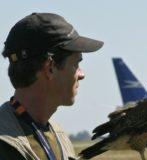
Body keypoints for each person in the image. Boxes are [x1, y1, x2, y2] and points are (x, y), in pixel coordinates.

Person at [0, 12, 104, 160]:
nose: (82, 74)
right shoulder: (4, 145)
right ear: (50, 67)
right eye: (77, 63)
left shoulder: (60, 137)